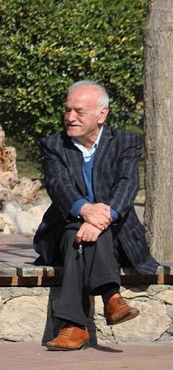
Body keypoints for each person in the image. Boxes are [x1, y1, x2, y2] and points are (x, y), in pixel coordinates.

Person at [34, 81, 158, 351]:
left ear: (102, 114)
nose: (70, 117)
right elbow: (58, 185)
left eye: (79, 111)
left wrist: (103, 218)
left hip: (117, 236)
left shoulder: (126, 142)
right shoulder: (54, 145)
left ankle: (74, 327)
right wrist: (87, 211)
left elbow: (127, 184)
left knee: (84, 235)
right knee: (74, 232)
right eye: (67, 111)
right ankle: (112, 298)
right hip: (65, 230)